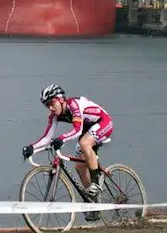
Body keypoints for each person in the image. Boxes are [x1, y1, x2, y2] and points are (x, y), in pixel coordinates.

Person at [22, 83, 114, 220]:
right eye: (47, 105)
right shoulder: (53, 116)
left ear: (60, 99)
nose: (51, 108)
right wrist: (32, 148)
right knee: (79, 166)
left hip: (103, 122)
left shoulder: (73, 105)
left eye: (52, 103)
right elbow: (47, 137)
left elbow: (77, 130)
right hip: (87, 128)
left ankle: (95, 184)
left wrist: (61, 139)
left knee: (84, 143)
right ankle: (93, 203)